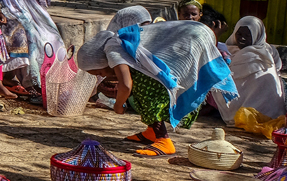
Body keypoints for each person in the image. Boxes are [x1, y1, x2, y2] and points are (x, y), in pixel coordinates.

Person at [76, 21, 236, 156]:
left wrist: (118, 105)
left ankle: (163, 140)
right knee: (142, 82)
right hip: (197, 32)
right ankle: (152, 131)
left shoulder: (112, 50)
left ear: (102, 62)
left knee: (144, 87)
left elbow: (126, 85)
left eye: (99, 72)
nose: (104, 76)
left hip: (192, 38)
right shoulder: (117, 43)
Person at [211, 16, 285, 124]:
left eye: (247, 35)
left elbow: (231, 81)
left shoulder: (249, 54)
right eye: (239, 34)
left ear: (257, 36)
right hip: (275, 111)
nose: (242, 38)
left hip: (253, 110)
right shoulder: (268, 50)